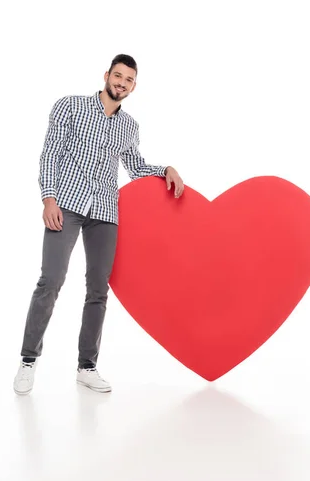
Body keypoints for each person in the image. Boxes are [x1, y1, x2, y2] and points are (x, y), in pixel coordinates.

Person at [13, 54, 184, 396]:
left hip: (105, 211)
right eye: (117, 75)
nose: (121, 82)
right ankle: (28, 360)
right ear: (106, 75)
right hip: (67, 204)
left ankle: (86, 367)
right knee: (51, 281)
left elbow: (135, 166)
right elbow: (50, 154)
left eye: (129, 79)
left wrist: (165, 169)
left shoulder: (129, 126)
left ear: (134, 87)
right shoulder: (71, 106)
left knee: (98, 289)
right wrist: (49, 198)